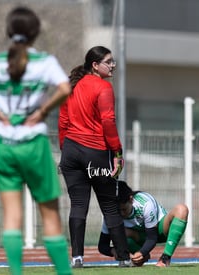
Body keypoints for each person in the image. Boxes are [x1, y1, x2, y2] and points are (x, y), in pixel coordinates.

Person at [0, 6, 72, 275]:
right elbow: (65, 88)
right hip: (34, 145)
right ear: (36, 33)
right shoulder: (44, 62)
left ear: (8, 32)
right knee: (50, 216)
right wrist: (42, 110)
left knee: (11, 217)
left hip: (4, 146)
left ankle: (16, 272)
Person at [58, 46, 130, 268]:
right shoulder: (103, 87)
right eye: (108, 62)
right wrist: (117, 152)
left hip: (71, 151)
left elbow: (62, 121)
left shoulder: (71, 86)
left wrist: (66, 151)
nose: (113, 65)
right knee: (109, 205)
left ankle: (77, 258)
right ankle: (124, 257)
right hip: (96, 152)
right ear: (95, 65)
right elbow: (108, 121)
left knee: (78, 205)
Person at [98, 180, 189, 267]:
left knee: (181, 209)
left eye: (124, 209)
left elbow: (152, 237)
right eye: (118, 210)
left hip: (159, 231)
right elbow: (102, 245)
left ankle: (165, 258)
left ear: (131, 200)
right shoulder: (111, 213)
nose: (121, 214)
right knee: (119, 231)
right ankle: (137, 257)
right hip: (139, 238)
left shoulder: (145, 203)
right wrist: (114, 251)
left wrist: (142, 252)